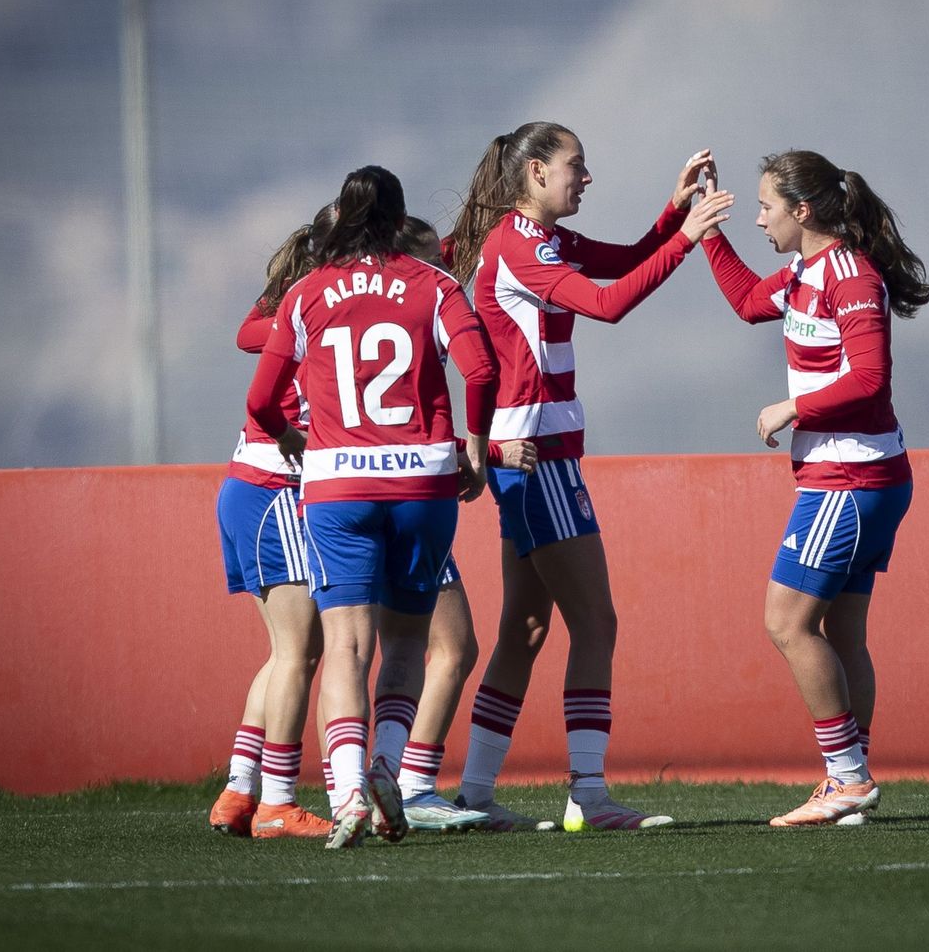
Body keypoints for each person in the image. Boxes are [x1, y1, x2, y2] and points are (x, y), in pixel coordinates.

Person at [444, 123, 733, 831]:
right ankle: (589, 795)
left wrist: (671, 214)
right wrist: (692, 236)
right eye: (577, 165)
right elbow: (607, 304)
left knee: (528, 626)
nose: (588, 177)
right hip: (538, 456)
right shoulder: (521, 244)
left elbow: (626, 259)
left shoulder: (531, 238)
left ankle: (476, 793)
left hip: (535, 452)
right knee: (595, 621)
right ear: (537, 172)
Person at [246, 166, 499, 849]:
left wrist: (302, 442)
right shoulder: (434, 284)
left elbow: (260, 404)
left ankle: (350, 791)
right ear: (398, 217)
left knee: (346, 649)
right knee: (410, 643)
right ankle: (390, 766)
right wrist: (472, 449)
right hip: (421, 482)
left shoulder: (305, 294)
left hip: (337, 488)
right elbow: (480, 370)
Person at [697, 150, 929, 827]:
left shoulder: (851, 276)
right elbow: (747, 302)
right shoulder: (805, 271)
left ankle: (848, 779)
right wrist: (706, 229)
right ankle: (851, 784)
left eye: (767, 206)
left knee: (786, 621)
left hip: (851, 477)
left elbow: (868, 379)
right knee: (842, 632)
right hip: (854, 476)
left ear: (803, 211)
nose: (761, 218)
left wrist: (791, 407)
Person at [365, 218, 539, 833]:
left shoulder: (340, 308)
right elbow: (433, 413)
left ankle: (361, 783)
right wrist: (489, 452)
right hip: (407, 495)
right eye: (430, 262)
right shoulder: (423, 309)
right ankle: (411, 785)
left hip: (346, 496)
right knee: (450, 646)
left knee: (364, 649)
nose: (442, 272)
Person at [208, 204, 337, 840]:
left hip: (245, 491)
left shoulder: (296, 310)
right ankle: (278, 804)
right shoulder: (314, 311)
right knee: (300, 651)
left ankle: (238, 790)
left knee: (284, 651)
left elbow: (247, 331)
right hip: (273, 492)